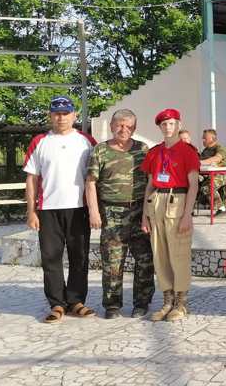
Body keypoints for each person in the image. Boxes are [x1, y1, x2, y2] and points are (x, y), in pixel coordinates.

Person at [23, 96, 96, 323]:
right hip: (48, 210)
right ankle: (56, 303)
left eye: (66, 113)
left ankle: (75, 301)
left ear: (74, 115)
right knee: (51, 259)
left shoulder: (87, 141)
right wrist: (31, 211)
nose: (61, 117)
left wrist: (95, 209)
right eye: (56, 113)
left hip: (79, 208)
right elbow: (32, 179)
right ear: (50, 115)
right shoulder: (40, 141)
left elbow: (95, 178)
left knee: (79, 257)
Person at [85, 109, 155, 319]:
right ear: (111, 126)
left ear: (134, 128)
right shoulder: (100, 150)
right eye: (119, 125)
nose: (123, 129)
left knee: (144, 260)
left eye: (128, 126)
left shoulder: (143, 150)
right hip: (111, 213)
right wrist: (94, 212)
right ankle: (112, 305)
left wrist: (149, 212)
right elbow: (90, 183)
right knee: (113, 262)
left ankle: (141, 303)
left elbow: (151, 182)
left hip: (139, 212)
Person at [141, 108, 200, 322]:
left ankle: (181, 302)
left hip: (178, 201)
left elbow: (193, 185)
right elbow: (149, 185)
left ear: (178, 125)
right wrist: (144, 216)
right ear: (159, 127)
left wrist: (187, 215)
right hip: (157, 201)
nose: (168, 127)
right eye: (164, 124)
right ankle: (167, 300)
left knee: (179, 254)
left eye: (172, 123)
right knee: (160, 254)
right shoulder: (154, 152)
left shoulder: (188, 151)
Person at [199, 128, 226, 215]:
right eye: (203, 138)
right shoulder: (205, 151)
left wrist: (200, 162)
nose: (203, 140)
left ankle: (222, 208)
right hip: (205, 175)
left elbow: (217, 158)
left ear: (213, 138)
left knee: (208, 188)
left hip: (219, 175)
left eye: (205, 138)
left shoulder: (220, 148)